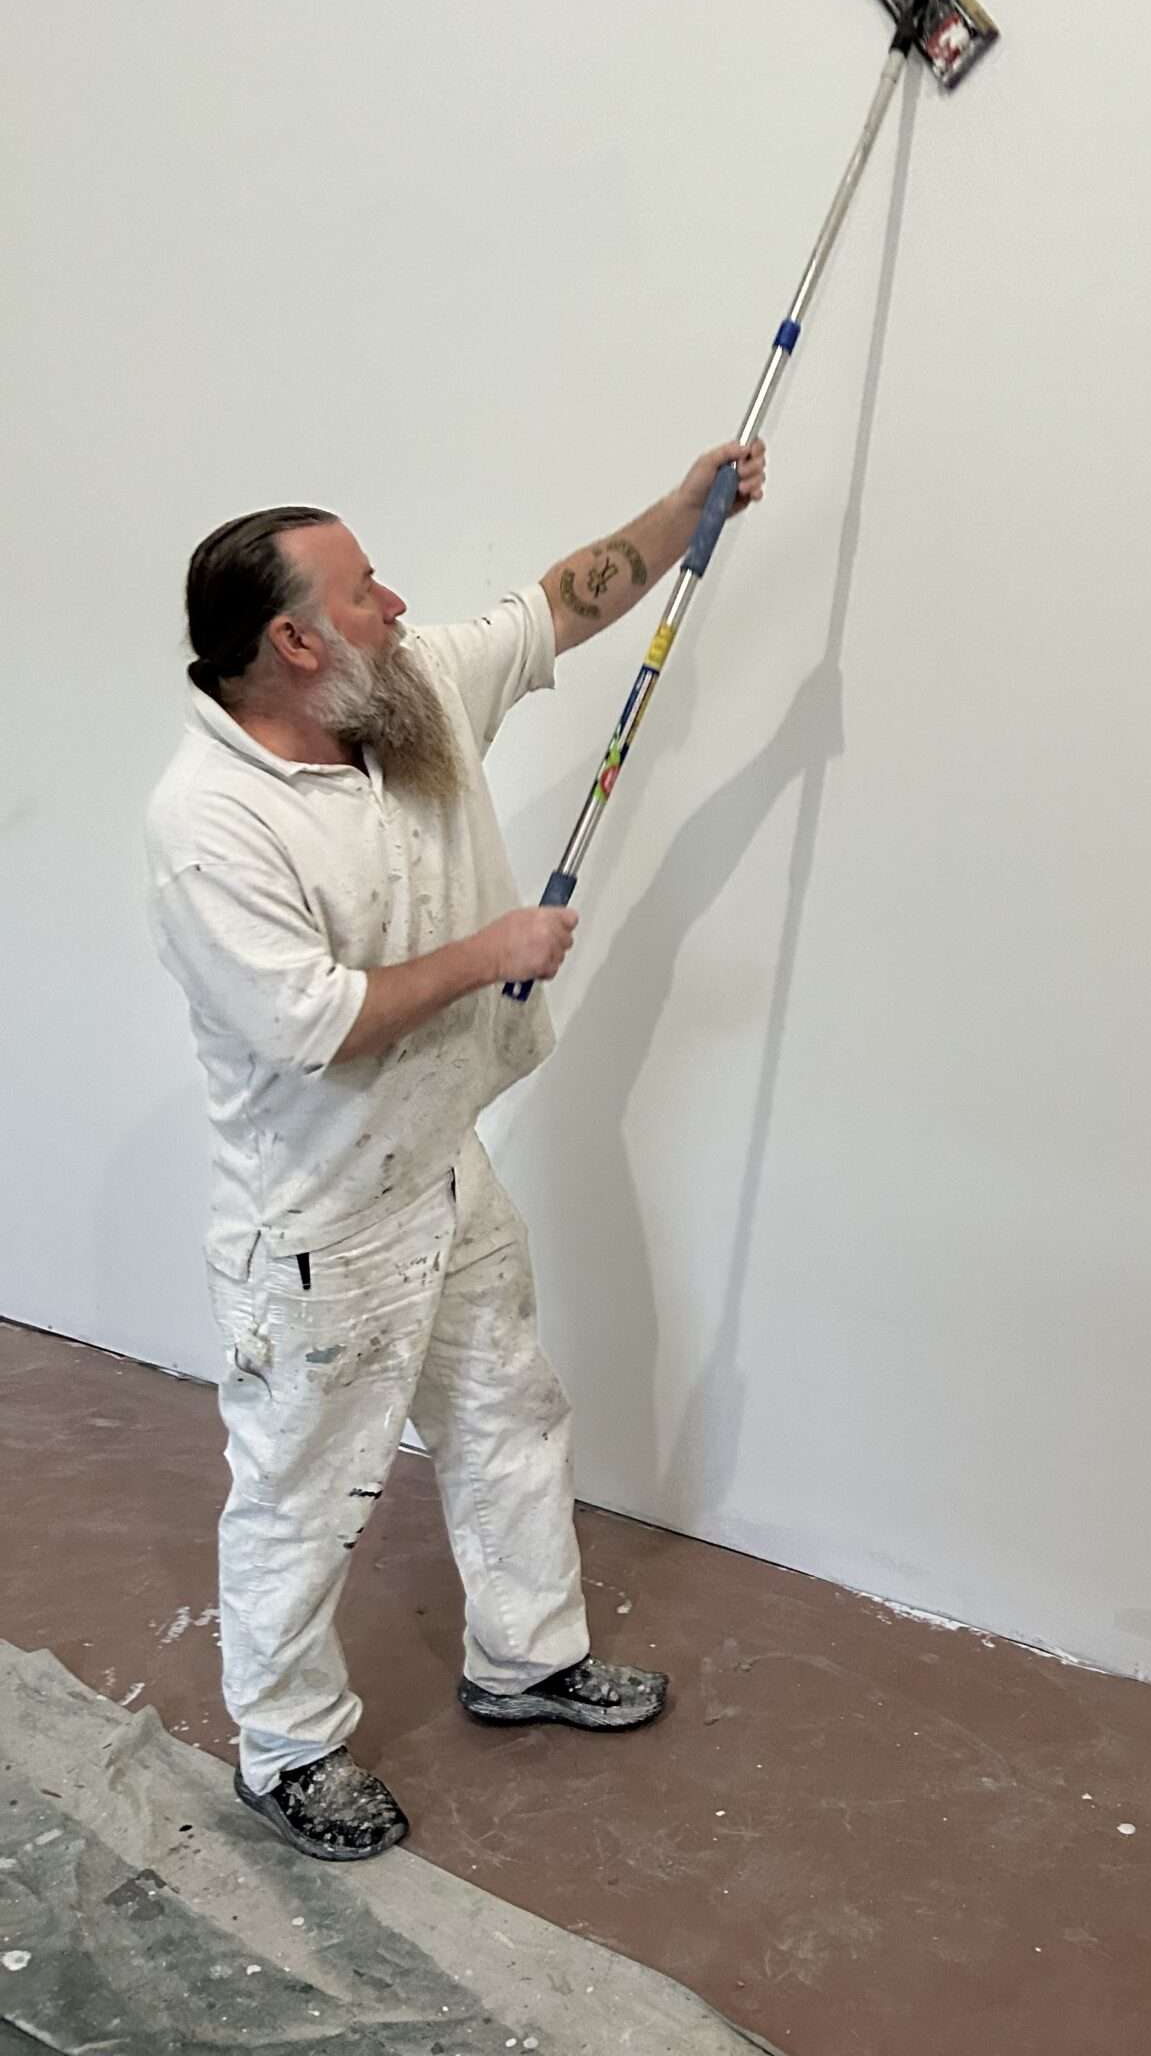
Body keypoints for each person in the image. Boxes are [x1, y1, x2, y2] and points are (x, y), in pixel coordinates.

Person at [144, 440, 767, 1861]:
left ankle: (527, 1659)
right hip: (316, 1225)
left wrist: (689, 508)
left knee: (506, 1410)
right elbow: (317, 1026)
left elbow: (561, 604)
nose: (398, 605)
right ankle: (287, 1750)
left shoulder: (402, 693)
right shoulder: (209, 825)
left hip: (438, 1166)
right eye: (365, 591)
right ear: (295, 642)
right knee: (305, 1494)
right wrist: (493, 952)